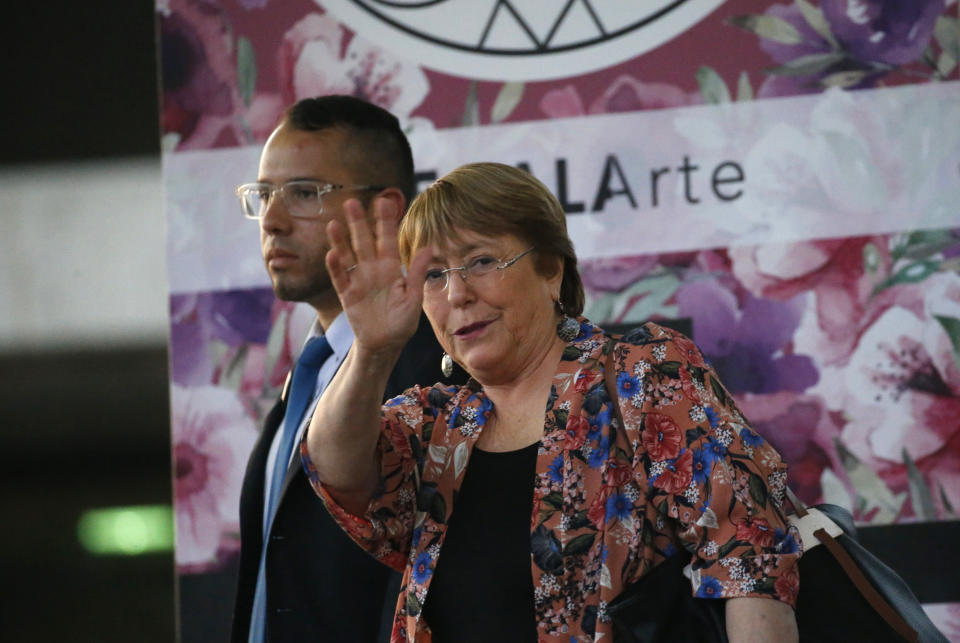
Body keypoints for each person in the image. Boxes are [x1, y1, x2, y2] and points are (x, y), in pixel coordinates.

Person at [302, 162, 801, 641]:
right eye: (433, 275)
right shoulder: (434, 426)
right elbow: (335, 470)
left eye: (480, 261)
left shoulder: (643, 375)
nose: (456, 293)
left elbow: (749, 557)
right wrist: (371, 352)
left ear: (550, 269)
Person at [230, 95, 463, 643]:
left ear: (388, 208)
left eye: (304, 193)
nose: (273, 220)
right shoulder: (307, 371)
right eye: (264, 195)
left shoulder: (442, 371)